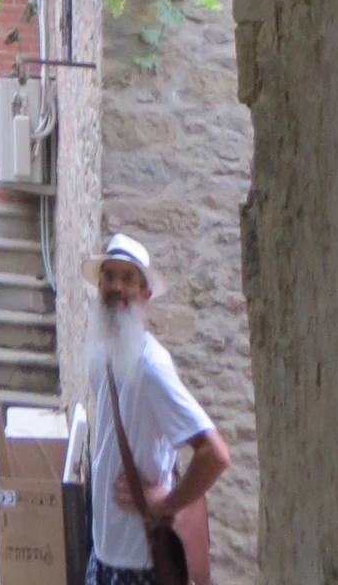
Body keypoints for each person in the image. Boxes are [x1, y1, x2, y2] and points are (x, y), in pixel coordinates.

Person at [82, 232, 231, 585]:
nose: (116, 286)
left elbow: (215, 454)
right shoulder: (102, 353)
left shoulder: (151, 366)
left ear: (145, 295)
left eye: (128, 279)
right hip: (103, 550)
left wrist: (164, 504)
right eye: (109, 276)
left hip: (139, 563)